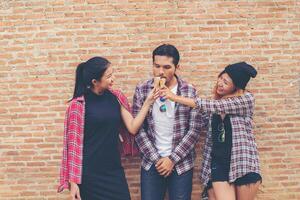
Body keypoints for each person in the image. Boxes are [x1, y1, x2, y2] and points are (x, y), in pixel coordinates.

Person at [57, 56, 159, 200]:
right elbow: (72, 146)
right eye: (109, 76)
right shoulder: (78, 105)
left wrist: (148, 102)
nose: (113, 78)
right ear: (95, 81)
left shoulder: (116, 97)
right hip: (89, 174)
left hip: (113, 170)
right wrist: (73, 183)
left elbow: (132, 127)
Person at [160, 62, 262, 200]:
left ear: (236, 86)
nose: (220, 83)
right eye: (221, 78)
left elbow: (211, 105)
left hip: (242, 163)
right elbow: (200, 117)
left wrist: (174, 97)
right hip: (218, 164)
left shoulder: (246, 100)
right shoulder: (213, 107)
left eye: (226, 82)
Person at [132, 44, 208, 200]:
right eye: (157, 66)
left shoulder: (189, 91)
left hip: (181, 163)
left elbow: (194, 130)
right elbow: (138, 129)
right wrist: (157, 159)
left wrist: (172, 159)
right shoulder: (142, 89)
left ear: (177, 67)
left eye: (167, 67)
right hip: (151, 161)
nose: (161, 72)